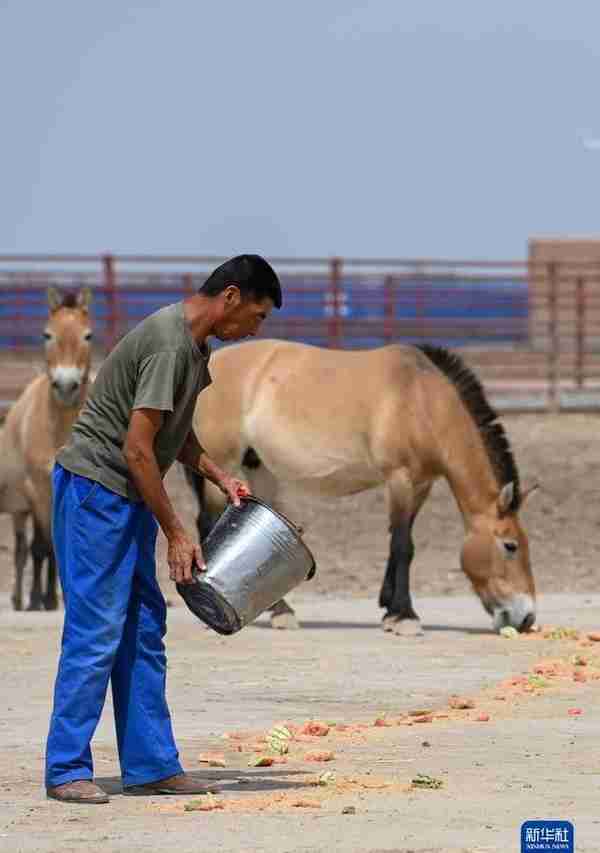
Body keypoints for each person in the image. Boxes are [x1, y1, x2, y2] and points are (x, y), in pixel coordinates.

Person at [45, 254, 282, 804]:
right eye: (258, 315)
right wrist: (177, 530)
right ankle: (65, 768)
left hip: (122, 495)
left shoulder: (194, 347)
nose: (256, 328)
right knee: (98, 628)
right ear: (230, 298)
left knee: (143, 627)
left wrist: (219, 474)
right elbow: (136, 447)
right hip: (95, 492)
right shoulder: (170, 343)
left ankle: (151, 765)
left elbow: (174, 429)